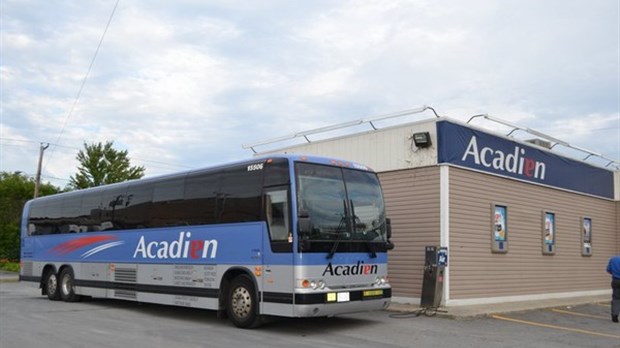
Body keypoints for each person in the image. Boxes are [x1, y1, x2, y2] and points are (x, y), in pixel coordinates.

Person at [606, 254, 620, 323]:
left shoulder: (613, 259)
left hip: (616, 280)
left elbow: (608, 270)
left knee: (616, 298)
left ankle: (615, 316)